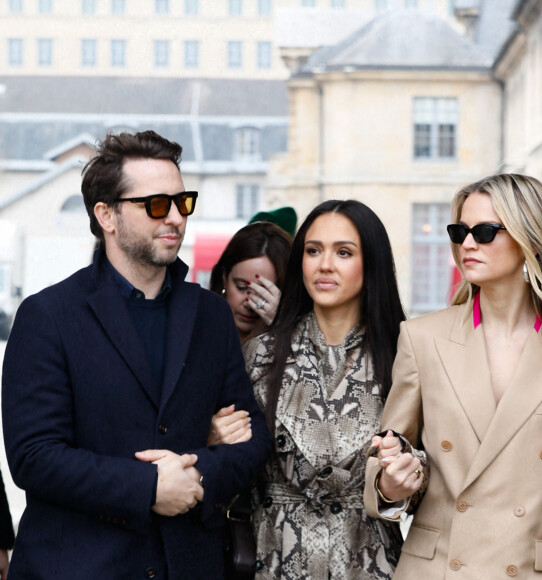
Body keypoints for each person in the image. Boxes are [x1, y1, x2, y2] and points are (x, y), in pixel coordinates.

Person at [1, 130, 271, 579]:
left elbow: (254, 439)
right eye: (156, 205)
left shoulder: (210, 314)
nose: (175, 219)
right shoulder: (48, 315)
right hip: (78, 566)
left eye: (182, 202)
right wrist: (148, 487)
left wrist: (200, 474)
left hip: (187, 564)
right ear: (106, 215)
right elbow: (34, 456)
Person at [365, 173, 542, 578]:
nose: (467, 244)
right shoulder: (422, 338)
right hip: (443, 567)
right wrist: (390, 485)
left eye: (484, 232)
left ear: (531, 239)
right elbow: (390, 452)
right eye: (460, 231)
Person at [214, 199, 423, 578]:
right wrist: (214, 438)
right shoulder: (260, 354)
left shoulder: (404, 356)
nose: (325, 264)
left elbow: (436, 464)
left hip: (369, 561)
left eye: (343, 252)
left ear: (371, 263)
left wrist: (398, 486)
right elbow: (227, 471)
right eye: (313, 251)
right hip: (274, 558)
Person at [209, 221, 292, 445]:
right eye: (242, 286)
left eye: (264, 292)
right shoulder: (198, 333)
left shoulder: (298, 348)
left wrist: (284, 327)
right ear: (224, 277)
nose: (250, 303)